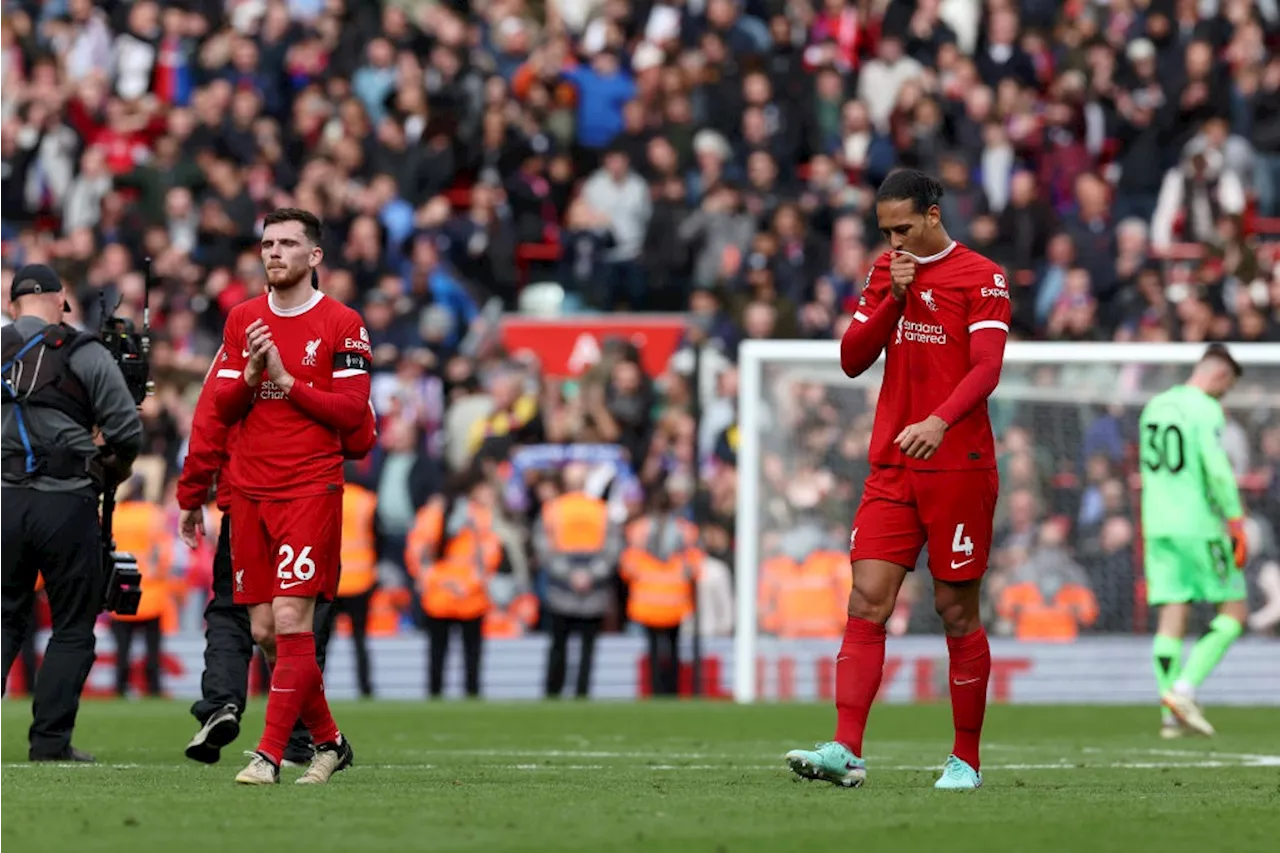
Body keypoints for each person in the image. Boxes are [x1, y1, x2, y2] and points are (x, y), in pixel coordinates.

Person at [784, 169, 1011, 790]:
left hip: (958, 465)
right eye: (886, 232)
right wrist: (894, 298)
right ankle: (845, 750)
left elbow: (988, 367)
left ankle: (966, 757)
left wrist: (939, 421)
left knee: (955, 609)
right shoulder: (889, 272)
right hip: (894, 463)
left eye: (904, 228)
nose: (895, 243)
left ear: (934, 216)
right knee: (866, 600)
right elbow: (853, 357)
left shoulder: (983, 276)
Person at [212, 207, 373, 785]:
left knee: (290, 617)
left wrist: (286, 380)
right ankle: (329, 743)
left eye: (287, 243)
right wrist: (253, 375)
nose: (273, 252)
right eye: (267, 243)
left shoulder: (343, 322)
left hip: (309, 485)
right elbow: (221, 407)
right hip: (249, 491)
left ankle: (269, 754)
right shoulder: (243, 319)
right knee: (263, 632)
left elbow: (353, 412)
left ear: (315, 256)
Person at [177, 343, 376, 765]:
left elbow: (209, 421)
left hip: (245, 502)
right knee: (302, 620)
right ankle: (302, 738)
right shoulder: (334, 341)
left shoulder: (240, 342)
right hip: (308, 504)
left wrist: (194, 493)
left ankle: (221, 704)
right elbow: (361, 434)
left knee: (234, 610)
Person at [0, 263, 144, 762]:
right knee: (72, 625)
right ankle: (50, 743)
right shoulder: (82, 349)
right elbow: (126, 430)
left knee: (2, 619)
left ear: (12, 305)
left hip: (2, 501)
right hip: (67, 499)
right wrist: (111, 471)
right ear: (61, 303)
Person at [1138, 343, 1248, 738]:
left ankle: (1169, 712)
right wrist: (1235, 519)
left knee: (1172, 613)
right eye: (1226, 387)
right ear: (1218, 376)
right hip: (1198, 524)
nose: (1224, 396)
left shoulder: (1154, 406)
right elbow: (1217, 469)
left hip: (1157, 524)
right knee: (1234, 613)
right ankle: (1184, 689)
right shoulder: (1206, 408)